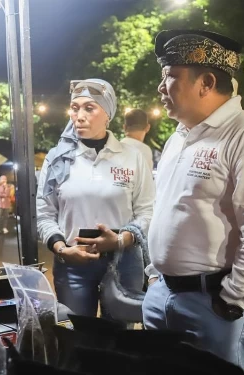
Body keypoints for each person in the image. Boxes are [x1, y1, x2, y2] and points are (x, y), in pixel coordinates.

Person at [142, 30, 244, 373]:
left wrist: (234, 301)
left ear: (206, 82)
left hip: (215, 305)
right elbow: (166, 210)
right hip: (162, 296)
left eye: (170, 77)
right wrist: (154, 276)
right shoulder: (177, 140)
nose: (161, 88)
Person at [36, 79, 155, 317]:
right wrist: (61, 249)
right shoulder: (57, 159)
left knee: (119, 339)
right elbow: (44, 214)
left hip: (124, 262)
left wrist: (121, 239)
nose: (79, 115)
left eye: (89, 108)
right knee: (78, 336)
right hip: (73, 265)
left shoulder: (132, 157)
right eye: (75, 108)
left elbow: (147, 211)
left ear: (107, 114)